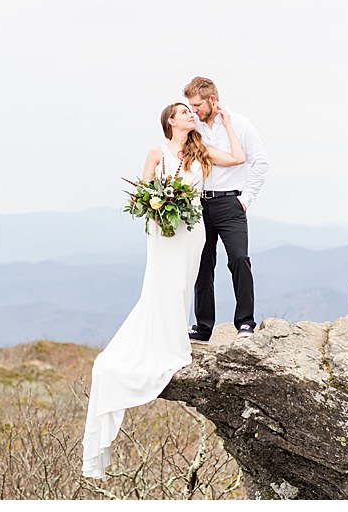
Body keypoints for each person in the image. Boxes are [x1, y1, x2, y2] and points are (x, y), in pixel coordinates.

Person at [82, 101, 246, 479]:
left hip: (193, 231)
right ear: (170, 121)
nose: (191, 115)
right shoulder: (157, 150)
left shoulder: (199, 151)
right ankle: (163, 340)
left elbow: (237, 159)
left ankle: (174, 335)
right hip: (165, 231)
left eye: (193, 112)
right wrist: (155, 204)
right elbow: (141, 190)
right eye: (184, 112)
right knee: (162, 284)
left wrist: (227, 122)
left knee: (183, 286)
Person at [183, 75, 269, 341]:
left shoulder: (241, 124)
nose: (193, 110)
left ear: (212, 100)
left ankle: (245, 322)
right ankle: (203, 326)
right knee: (202, 264)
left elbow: (260, 163)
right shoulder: (192, 126)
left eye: (197, 105)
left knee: (239, 259)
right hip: (199, 204)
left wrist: (245, 199)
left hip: (231, 202)